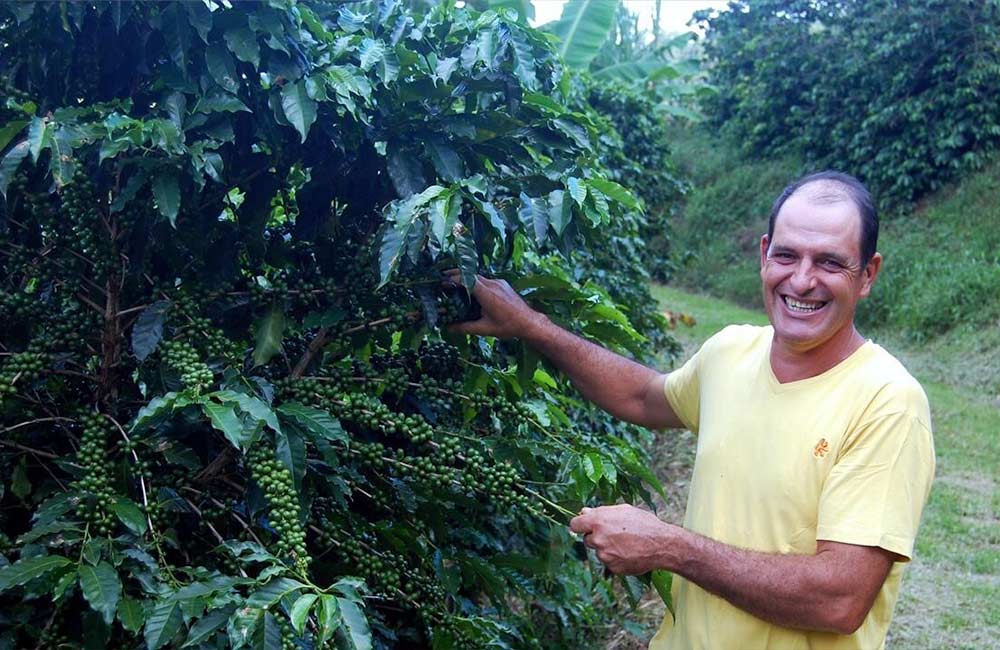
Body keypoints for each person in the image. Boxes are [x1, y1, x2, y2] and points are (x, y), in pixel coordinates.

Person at [449, 171, 935, 650]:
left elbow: (839, 600)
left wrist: (668, 546)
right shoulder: (730, 353)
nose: (802, 280)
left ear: (867, 275)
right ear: (764, 254)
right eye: (787, 255)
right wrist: (532, 326)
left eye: (830, 263)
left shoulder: (887, 403)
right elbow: (643, 396)